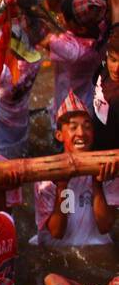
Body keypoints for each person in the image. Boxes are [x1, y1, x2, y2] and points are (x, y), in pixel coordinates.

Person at [33, 91, 119, 247]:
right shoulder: (46, 175)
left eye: (87, 127)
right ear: (59, 135)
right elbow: (57, 232)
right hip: (59, 250)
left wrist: (97, 182)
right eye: (73, 127)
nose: (81, 133)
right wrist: (62, 187)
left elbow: (105, 226)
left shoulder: (108, 167)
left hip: (95, 248)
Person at [42, 0, 105, 116]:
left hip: (68, 110)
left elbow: (37, 37)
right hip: (88, 101)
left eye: (64, 18)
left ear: (80, 29)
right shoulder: (102, 28)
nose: (60, 18)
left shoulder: (71, 50)